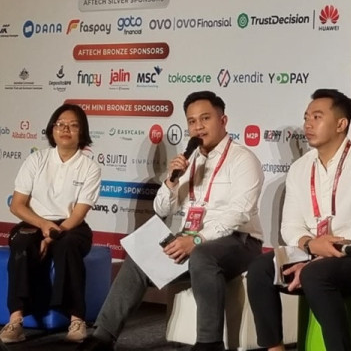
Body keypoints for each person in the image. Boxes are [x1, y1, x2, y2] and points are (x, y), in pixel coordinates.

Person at [78, 91, 264, 351]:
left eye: (205, 118)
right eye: (192, 121)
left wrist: (197, 240)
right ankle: (102, 337)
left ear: (223, 121)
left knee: (203, 256)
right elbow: (161, 209)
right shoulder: (189, 160)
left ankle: (209, 344)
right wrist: (172, 180)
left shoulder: (243, 159)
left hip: (239, 242)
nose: (198, 127)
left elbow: (240, 213)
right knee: (140, 255)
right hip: (191, 239)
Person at [246, 89, 351, 351]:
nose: (308, 124)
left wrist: (318, 258)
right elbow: (290, 226)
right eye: (306, 117)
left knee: (316, 274)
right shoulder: (300, 167)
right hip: (310, 252)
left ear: (341, 124)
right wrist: (310, 246)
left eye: (317, 117)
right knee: (261, 268)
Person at [0, 103, 102, 344]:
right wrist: (43, 225)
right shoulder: (36, 159)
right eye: (60, 124)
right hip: (36, 222)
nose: (66, 129)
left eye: (73, 125)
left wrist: (53, 233)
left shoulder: (90, 167)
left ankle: (77, 319)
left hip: (70, 226)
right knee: (22, 244)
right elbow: (17, 205)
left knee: (67, 245)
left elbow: (78, 213)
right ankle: (16, 320)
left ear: (82, 132)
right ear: (52, 129)